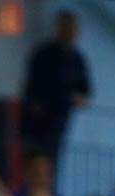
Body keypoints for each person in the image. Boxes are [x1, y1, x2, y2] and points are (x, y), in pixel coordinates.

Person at [20, 11, 90, 162]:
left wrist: (77, 98)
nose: (68, 32)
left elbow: (85, 91)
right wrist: (35, 104)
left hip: (59, 121)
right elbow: (32, 84)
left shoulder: (77, 59)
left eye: (71, 28)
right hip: (36, 122)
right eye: (65, 27)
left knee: (52, 161)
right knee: (31, 160)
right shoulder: (43, 54)